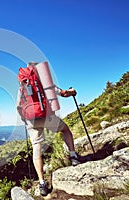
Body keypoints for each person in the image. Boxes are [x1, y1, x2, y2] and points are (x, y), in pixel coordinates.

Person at [16, 61, 83, 196]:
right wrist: (72, 92)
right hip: (47, 117)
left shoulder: (22, 86)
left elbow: (18, 106)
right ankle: (73, 157)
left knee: (36, 146)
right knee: (65, 130)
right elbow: (63, 93)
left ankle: (42, 183)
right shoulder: (44, 82)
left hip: (31, 121)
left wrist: (24, 119)